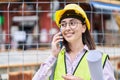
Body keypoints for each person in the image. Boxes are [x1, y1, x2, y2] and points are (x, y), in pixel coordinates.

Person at [32, 4, 115, 80]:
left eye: (72, 23)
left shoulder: (99, 60)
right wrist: (53, 56)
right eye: (63, 25)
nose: (67, 28)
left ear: (83, 28)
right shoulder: (54, 59)